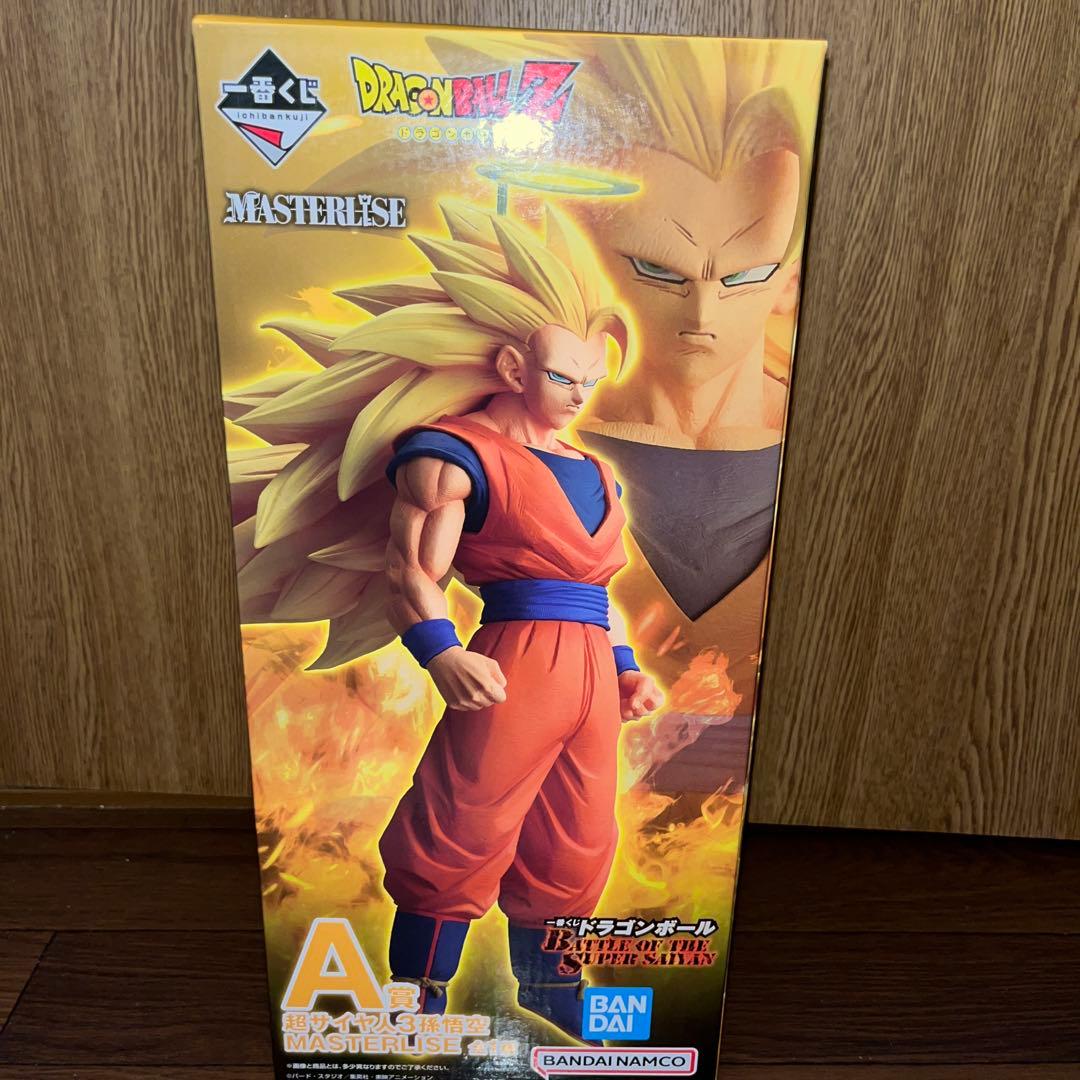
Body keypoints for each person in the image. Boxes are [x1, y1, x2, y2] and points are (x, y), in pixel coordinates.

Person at [225, 204, 662, 1041]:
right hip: (513, 661)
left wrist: (626, 666)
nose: (578, 396)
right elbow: (412, 572)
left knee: (577, 835)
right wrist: (441, 652)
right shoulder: (452, 453)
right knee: (464, 818)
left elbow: (596, 589)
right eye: (561, 377)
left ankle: (551, 984)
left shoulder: (595, 470)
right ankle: (418, 989)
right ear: (512, 366)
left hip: (589, 674)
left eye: (589, 380)